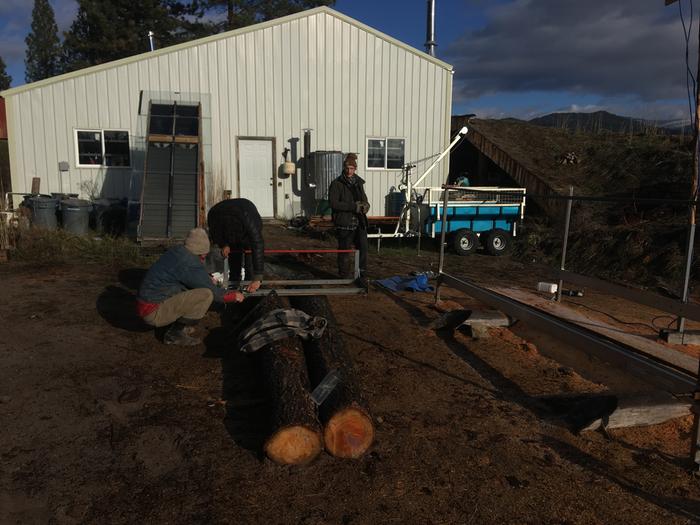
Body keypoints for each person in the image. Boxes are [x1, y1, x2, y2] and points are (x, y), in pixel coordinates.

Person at [137, 228, 245, 346]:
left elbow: (191, 275)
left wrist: (205, 277)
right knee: (206, 294)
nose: (205, 255)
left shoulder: (178, 251)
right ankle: (175, 334)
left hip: (147, 302)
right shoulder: (189, 263)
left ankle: (176, 324)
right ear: (200, 250)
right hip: (152, 312)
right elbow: (214, 292)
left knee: (195, 289)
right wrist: (233, 295)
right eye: (204, 253)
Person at [207, 198, 264, 293]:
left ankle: (249, 285)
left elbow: (257, 245)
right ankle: (234, 285)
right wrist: (224, 244)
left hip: (247, 214)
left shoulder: (250, 221)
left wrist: (258, 277)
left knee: (249, 253)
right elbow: (215, 234)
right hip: (226, 217)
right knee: (234, 254)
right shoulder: (214, 216)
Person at [328, 153, 369, 280]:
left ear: (355, 169)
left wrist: (366, 206)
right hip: (344, 222)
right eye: (347, 168)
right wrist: (353, 207)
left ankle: (361, 275)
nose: (349, 171)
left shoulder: (358, 183)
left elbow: (364, 199)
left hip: (359, 222)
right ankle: (344, 276)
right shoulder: (336, 184)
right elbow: (334, 203)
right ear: (344, 168)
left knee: (363, 249)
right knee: (344, 251)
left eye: (352, 168)